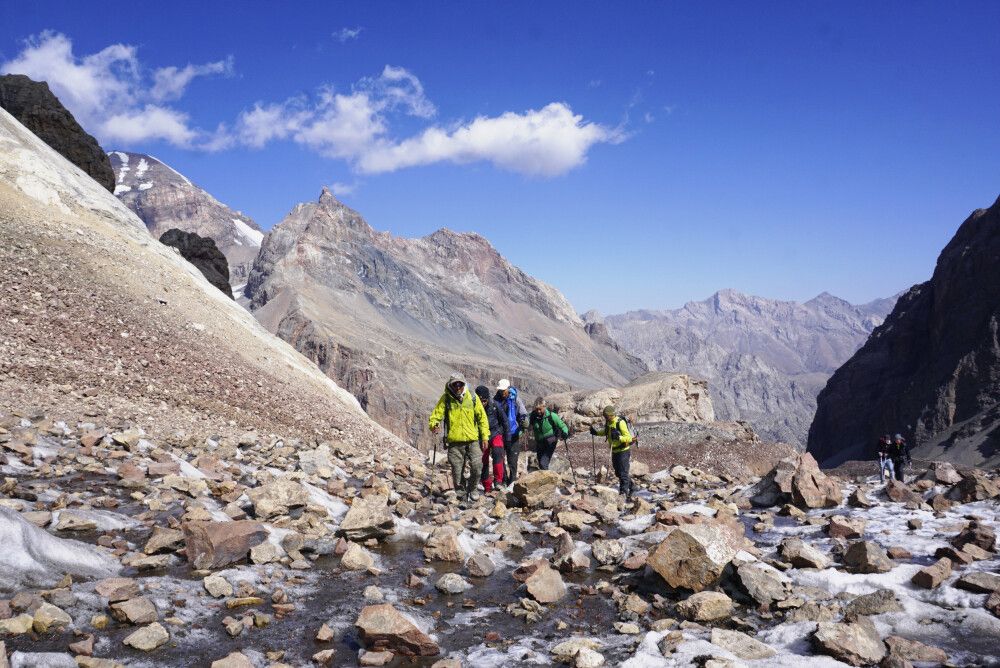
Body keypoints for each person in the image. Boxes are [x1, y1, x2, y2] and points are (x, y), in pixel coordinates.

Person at [428, 373, 489, 502]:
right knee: (457, 470)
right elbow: (436, 415)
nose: (457, 387)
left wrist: (485, 437)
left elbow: (482, 418)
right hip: (454, 441)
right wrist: (434, 424)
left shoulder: (472, 397)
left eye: (460, 384)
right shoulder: (446, 398)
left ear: (464, 384)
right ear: (450, 385)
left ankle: (472, 489)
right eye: (454, 384)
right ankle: (461, 495)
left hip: (472, 439)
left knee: (477, 466)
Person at [590, 405, 634, 498]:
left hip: (623, 451)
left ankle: (623, 494)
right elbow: (606, 432)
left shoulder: (620, 423)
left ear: (611, 415)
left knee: (623, 473)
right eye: (604, 416)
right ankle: (631, 486)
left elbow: (629, 438)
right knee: (618, 472)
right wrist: (596, 433)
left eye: (606, 416)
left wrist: (619, 437)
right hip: (614, 450)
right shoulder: (609, 422)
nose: (605, 417)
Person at [475, 385, 510, 493]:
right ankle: (487, 486)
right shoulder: (473, 407)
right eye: (480, 401)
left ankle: (498, 481)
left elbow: (504, 420)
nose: (482, 403)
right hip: (481, 436)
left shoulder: (495, 405)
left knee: (497, 453)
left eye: (484, 400)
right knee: (483, 460)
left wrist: (507, 436)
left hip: (495, 433)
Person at [495, 379, 528, 486]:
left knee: (512, 460)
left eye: (504, 390)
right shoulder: (495, 400)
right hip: (501, 434)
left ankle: (512, 480)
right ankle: (503, 480)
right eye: (501, 390)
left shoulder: (515, 399)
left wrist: (523, 424)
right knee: (500, 458)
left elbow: (522, 413)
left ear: (508, 389)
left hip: (513, 434)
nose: (502, 392)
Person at [529, 397, 569, 471]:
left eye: (540, 409)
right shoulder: (532, 416)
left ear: (544, 407)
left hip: (551, 441)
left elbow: (563, 426)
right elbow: (526, 425)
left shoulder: (552, 416)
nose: (538, 411)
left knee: (543, 462)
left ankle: (548, 479)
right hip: (540, 443)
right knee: (541, 463)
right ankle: (548, 477)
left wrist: (565, 432)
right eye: (536, 409)